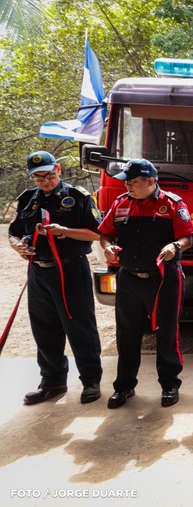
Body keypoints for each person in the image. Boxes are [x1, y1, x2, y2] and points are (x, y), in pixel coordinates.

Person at [98, 158, 193, 409]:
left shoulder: (172, 204)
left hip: (164, 279)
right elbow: (105, 233)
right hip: (129, 279)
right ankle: (124, 387)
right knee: (127, 335)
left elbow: (187, 238)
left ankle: (169, 385)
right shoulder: (120, 204)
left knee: (166, 333)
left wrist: (175, 246)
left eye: (132, 182)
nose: (127, 186)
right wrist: (108, 247)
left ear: (150, 181)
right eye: (126, 182)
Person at [8, 151, 104, 405]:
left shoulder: (78, 197)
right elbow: (14, 232)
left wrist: (65, 231)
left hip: (71, 271)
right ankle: (52, 382)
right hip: (38, 271)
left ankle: (91, 380)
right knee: (44, 329)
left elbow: (97, 234)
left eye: (49, 175)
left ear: (58, 170)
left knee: (79, 326)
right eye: (38, 178)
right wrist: (17, 245)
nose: (45, 181)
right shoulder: (28, 199)